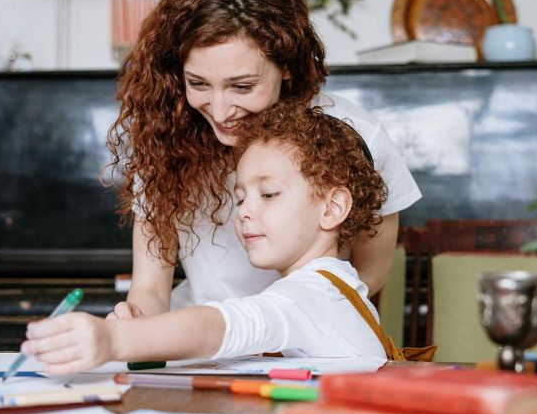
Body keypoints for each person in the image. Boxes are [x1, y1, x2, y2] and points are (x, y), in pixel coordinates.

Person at [106, 0, 421, 322]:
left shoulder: (356, 136)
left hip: (306, 337)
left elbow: (368, 275)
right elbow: (151, 288)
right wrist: (135, 322)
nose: (220, 112)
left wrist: (281, 329)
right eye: (198, 84)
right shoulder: (166, 138)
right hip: (198, 343)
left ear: (286, 65)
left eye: (242, 86)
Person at [22, 105, 391, 373]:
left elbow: (222, 325)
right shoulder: (332, 286)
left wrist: (114, 341)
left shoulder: (312, 295)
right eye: (241, 197)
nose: (244, 211)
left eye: (269, 194)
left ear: (332, 207)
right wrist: (145, 333)